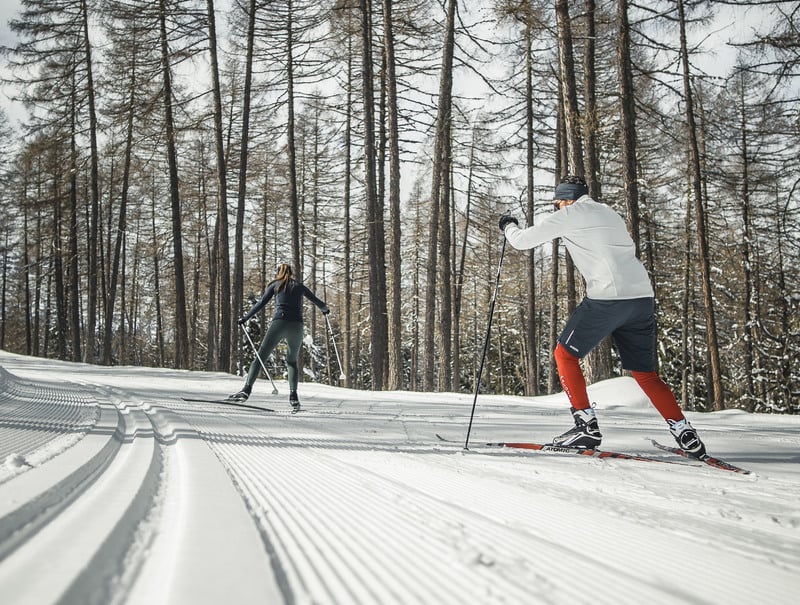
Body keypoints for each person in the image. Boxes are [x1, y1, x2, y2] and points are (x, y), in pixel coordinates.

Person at [499, 175, 707, 458]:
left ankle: (585, 426)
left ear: (566, 199)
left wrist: (508, 226)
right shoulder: (609, 213)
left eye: (558, 203)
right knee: (646, 374)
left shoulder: (570, 214)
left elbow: (522, 242)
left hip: (608, 298)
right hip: (641, 298)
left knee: (564, 355)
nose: (557, 208)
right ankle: (684, 431)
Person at [231, 263, 329, 410]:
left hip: (280, 323)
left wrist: (245, 318)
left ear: (278, 273)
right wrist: (325, 309)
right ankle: (293, 396)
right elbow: (317, 302)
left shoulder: (275, 285)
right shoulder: (299, 286)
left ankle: (246, 390)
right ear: (291, 272)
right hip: (297, 326)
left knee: (260, 358)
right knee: (292, 362)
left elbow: (261, 304)